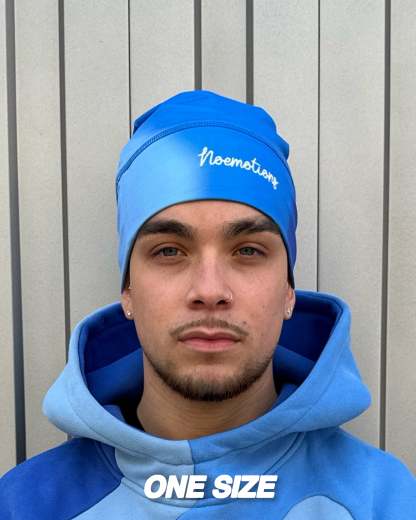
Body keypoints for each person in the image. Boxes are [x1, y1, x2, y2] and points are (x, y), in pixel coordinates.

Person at [1, 90, 415, 518]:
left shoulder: (382, 501)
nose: (210, 289)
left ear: (288, 291)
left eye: (248, 250)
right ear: (128, 291)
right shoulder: (25, 506)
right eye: (169, 251)